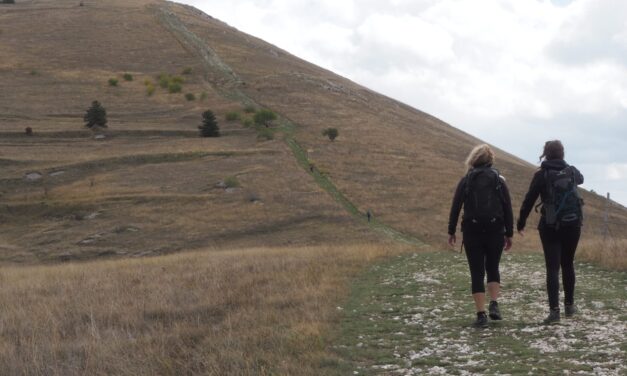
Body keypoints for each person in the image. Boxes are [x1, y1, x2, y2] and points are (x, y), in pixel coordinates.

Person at [517, 140, 584, 324]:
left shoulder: (541, 175)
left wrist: (521, 222)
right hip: (573, 224)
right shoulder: (571, 170)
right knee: (568, 263)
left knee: (553, 267)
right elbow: (581, 179)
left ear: (545, 154)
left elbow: (529, 200)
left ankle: (554, 311)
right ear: (562, 153)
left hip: (550, 226)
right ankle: (569, 306)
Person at [448, 144, 514, 328]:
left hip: (472, 230)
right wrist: (509, 233)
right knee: (493, 267)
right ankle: (494, 303)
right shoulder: (499, 180)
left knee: (476, 271)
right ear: (490, 160)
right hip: (495, 229)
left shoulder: (466, 180)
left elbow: (456, 207)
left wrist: (451, 231)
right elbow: (507, 208)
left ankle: (481, 314)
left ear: (473, 160)